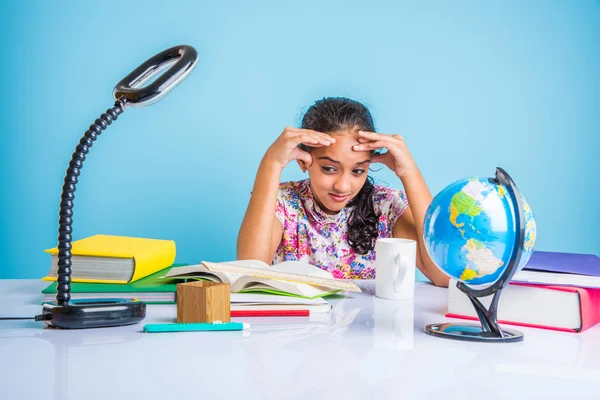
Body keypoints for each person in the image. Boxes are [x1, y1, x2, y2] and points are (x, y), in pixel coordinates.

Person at [237, 97, 449, 287]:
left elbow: (443, 276)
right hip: (297, 328)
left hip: (371, 329)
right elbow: (249, 274)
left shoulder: (386, 206)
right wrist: (272, 162)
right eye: (329, 169)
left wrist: (409, 173)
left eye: (358, 170)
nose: (343, 186)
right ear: (304, 161)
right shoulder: (283, 202)